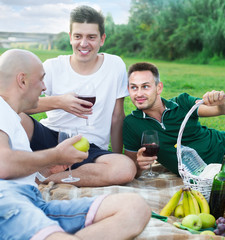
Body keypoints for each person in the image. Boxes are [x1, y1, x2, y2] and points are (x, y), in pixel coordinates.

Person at [0, 49, 151, 239]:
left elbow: (14, 169)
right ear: (22, 81)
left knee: (135, 208)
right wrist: (56, 154)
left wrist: (48, 169)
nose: (45, 87)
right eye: (41, 79)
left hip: (34, 202)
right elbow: (4, 165)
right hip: (7, 201)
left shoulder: (10, 116)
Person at [20, 5, 136, 187]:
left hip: (89, 147)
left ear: (102, 39)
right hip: (51, 137)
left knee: (125, 169)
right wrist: (59, 102)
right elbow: (19, 105)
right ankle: (47, 163)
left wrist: (117, 154)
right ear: (70, 38)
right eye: (78, 36)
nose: (83, 43)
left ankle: (44, 176)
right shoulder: (52, 66)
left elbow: (117, 117)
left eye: (91, 37)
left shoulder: (115, 66)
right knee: (13, 117)